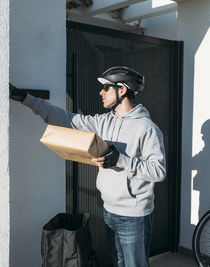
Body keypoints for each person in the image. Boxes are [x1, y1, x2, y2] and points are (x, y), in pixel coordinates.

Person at [9, 66, 166, 267]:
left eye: (107, 87)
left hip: (134, 216)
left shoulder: (147, 128)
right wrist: (25, 98)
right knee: (117, 262)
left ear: (122, 90)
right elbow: (67, 119)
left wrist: (120, 160)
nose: (101, 92)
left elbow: (158, 171)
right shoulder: (103, 121)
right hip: (109, 209)